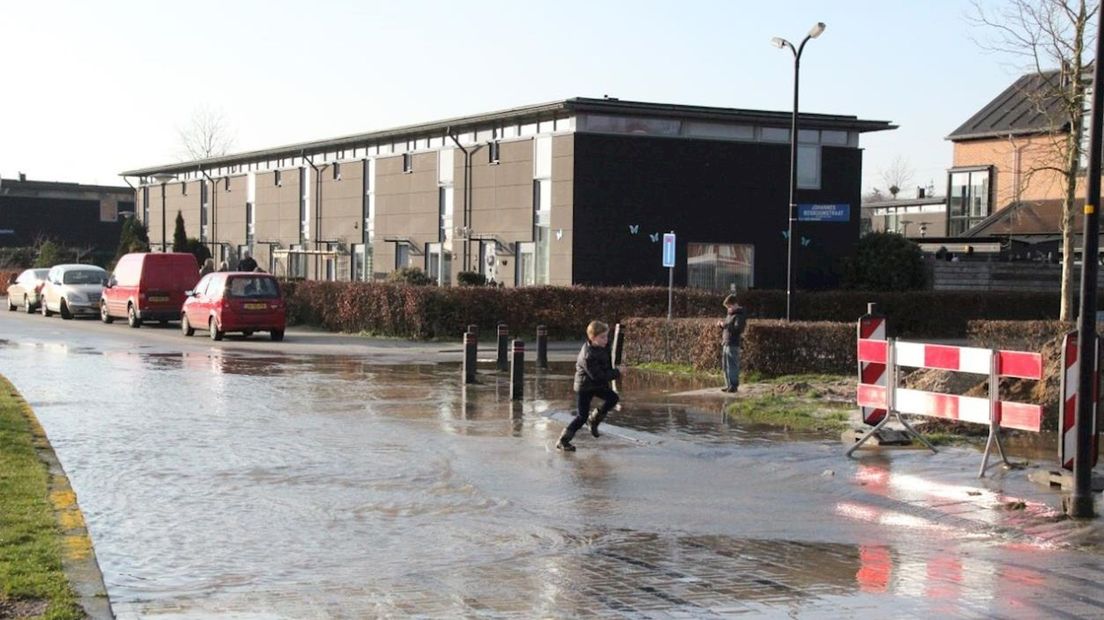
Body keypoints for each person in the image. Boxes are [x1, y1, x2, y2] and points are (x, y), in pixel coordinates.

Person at [557, 320, 623, 452]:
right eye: (602, 337)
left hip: (597, 384)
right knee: (582, 417)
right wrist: (617, 372)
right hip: (585, 386)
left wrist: (615, 368)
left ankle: (593, 420)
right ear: (592, 338)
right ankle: (563, 440)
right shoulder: (588, 355)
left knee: (613, 398)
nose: (606, 340)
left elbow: (609, 361)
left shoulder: (604, 346)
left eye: (606, 336)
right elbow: (598, 376)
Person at [716, 294, 747, 393]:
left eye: (729, 306)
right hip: (726, 342)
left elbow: (737, 329)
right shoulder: (730, 315)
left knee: (732, 365)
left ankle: (733, 385)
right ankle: (728, 384)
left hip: (733, 343)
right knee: (725, 365)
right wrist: (722, 325)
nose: (728, 309)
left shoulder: (739, 315)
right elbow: (728, 327)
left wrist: (724, 324)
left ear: (734, 304)